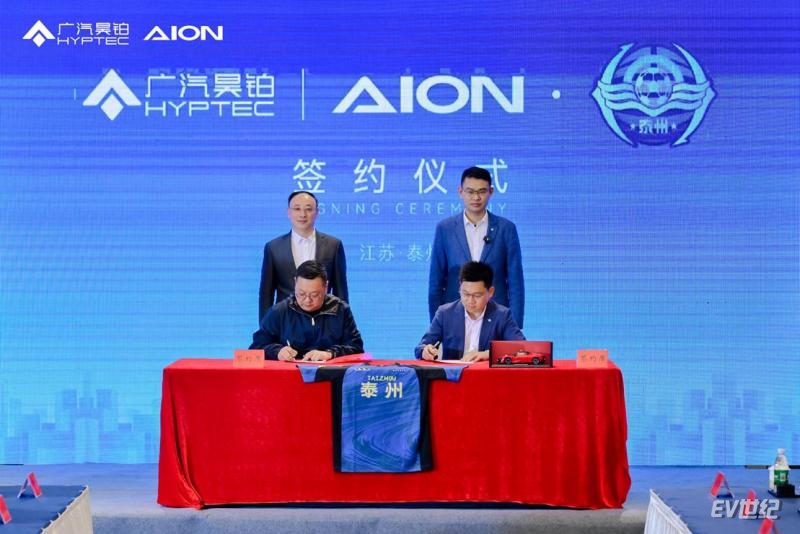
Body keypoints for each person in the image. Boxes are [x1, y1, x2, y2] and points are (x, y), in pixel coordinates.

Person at [428, 166, 524, 327]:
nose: (476, 197)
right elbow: (436, 283)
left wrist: (514, 326)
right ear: (460, 192)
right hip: (455, 318)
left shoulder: (506, 229)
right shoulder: (445, 229)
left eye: (482, 191)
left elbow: (516, 283)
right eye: (470, 191)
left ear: (491, 192)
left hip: (497, 318)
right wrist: (436, 326)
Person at [259, 191, 348, 322]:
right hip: (285, 323)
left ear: (317, 212)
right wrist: (265, 329)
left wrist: (341, 325)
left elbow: (341, 292)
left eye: (308, 209)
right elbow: (266, 295)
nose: (302, 214)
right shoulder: (273, 247)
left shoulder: (333, 245)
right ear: (288, 212)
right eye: (297, 209)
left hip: (323, 323)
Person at [251, 260, 363, 361]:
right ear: (295, 283)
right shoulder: (280, 311)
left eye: (314, 295)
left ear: (326, 287)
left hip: (330, 374)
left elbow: (356, 347)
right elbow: (256, 347)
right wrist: (277, 352)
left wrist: (330, 353)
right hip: (289, 374)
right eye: (301, 294)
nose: (307, 300)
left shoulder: (340, 310)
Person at [416, 261, 524, 362]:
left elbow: (522, 348)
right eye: (466, 294)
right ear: (460, 288)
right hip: (454, 374)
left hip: (486, 374)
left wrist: (488, 354)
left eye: (477, 295)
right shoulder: (445, 313)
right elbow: (420, 347)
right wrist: (425, 351)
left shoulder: (502, 315)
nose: (470, 301)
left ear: (490, 292)